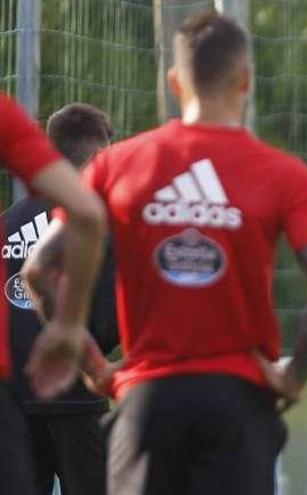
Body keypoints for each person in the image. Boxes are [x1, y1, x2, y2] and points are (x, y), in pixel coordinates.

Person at [25, 11, 307, 495]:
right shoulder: (283, 173)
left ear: (175, 82)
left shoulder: (115, 165)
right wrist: (294, 376)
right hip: (239, 404)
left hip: (147, 404)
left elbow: (40, 269)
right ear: (245, 80)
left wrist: (93, 365)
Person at [3, 103, 118, 495]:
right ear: (101, 155)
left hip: (14, 398)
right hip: (76, 395)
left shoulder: (9, 221)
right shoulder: (95, 219)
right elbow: (105, 317)